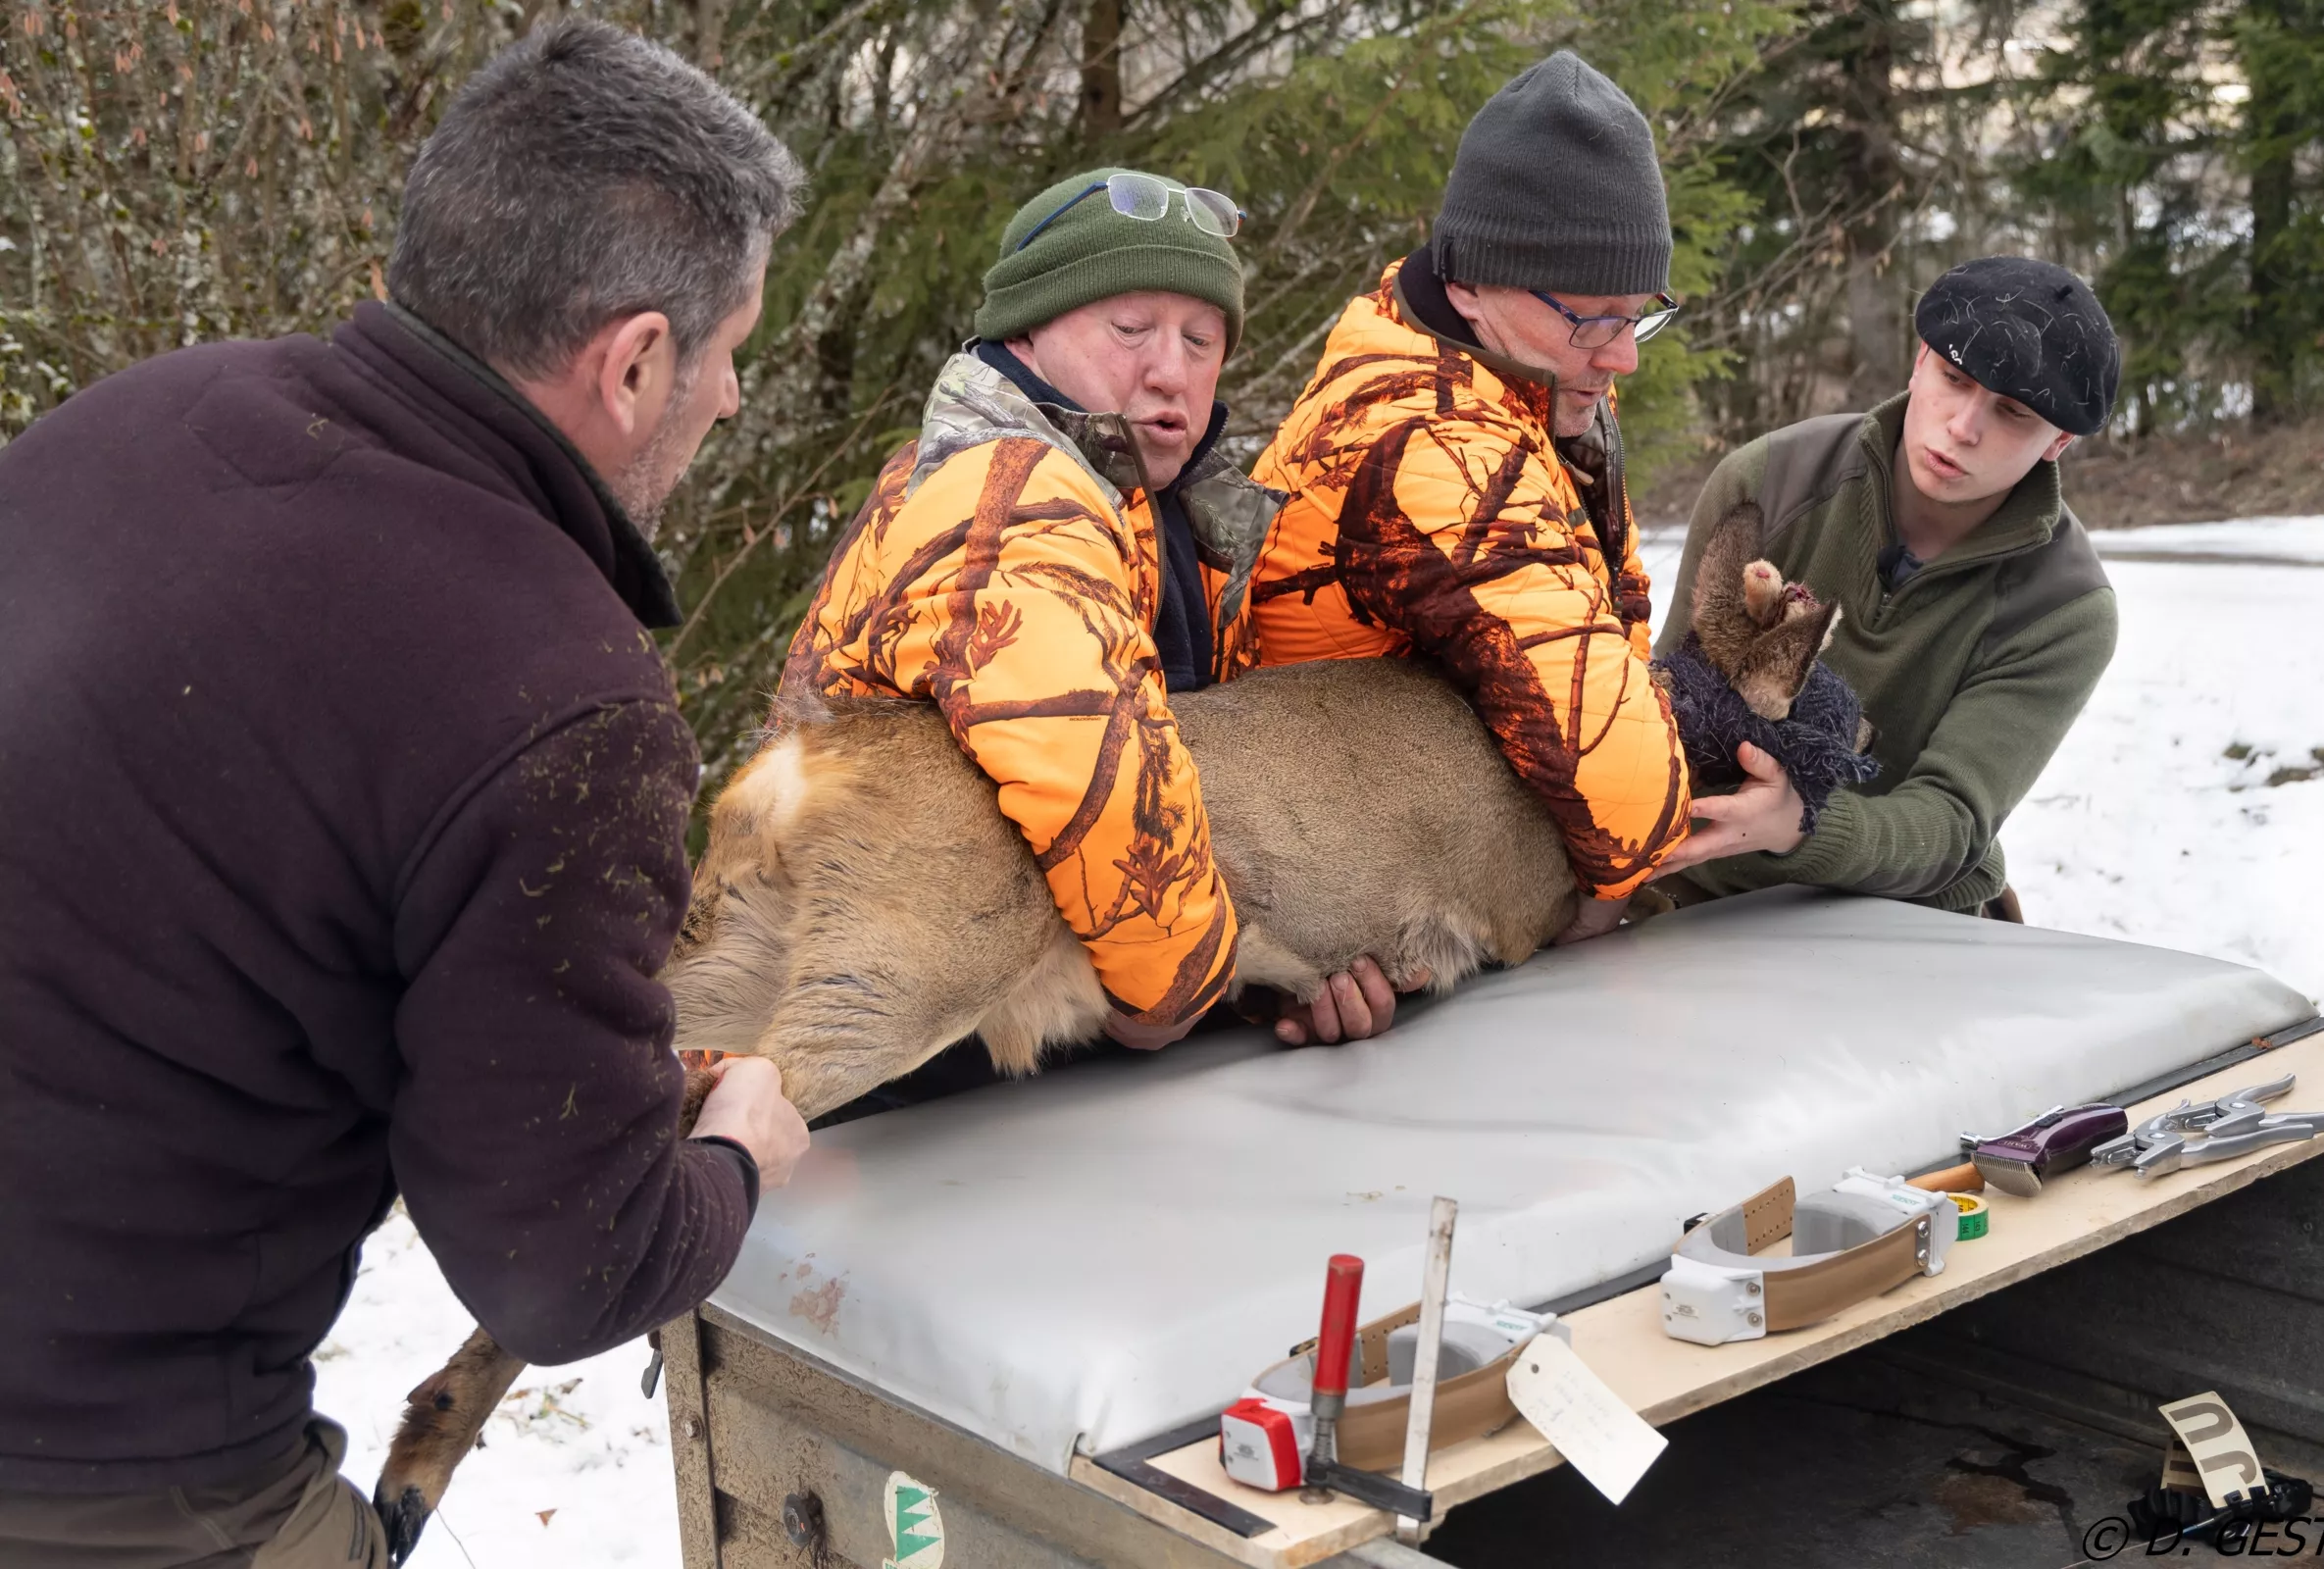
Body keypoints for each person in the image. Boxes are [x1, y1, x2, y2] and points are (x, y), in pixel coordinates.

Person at [0, 22, 811, 1565]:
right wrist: (732, 1157)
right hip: (109, 1475)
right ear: (638, 362)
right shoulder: (558, 699)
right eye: (728, 354)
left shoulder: (119, 428)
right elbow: (565, 1271)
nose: (730, 400)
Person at [783, 167, 1402, 1060]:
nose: (1170, 373)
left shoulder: (1168, 512)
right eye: (1129, 329)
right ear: (1027, 331)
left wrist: (1283, 969)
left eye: (1201, 339)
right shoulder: (1004, 488)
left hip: (1036, 1022)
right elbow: (1078, 753)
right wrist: (1181, 989)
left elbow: (1213, 777)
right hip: (909, 1031)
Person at [1250, 52, 1692, 943]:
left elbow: (1609, 629)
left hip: (1418, 856)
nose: (1625, 354)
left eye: (1638, 312)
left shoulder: (1522, 373)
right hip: (1347, 886)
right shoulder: (1433, 440)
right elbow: (1627, 791)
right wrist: (1614, 892)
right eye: (1594, 318)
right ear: (1472, 281)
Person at [1645, 256, 2121, 918]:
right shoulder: (1767, 483)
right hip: (1699, 889)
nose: (1964, 427)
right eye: (1954, 379)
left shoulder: (2065, 609)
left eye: (2010, 412)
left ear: (2059, 442)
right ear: (1920, 361)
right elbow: (1659, 710)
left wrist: (1801, 821)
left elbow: (1950, 821)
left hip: (1912, 922)